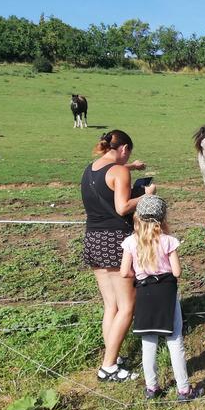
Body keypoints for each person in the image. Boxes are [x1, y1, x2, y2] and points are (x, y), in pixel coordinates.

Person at [81, 129, 154, 382]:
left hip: (93, 239)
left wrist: (131, 166)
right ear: (123, 148)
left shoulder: (90, 169)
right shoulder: (120, 172)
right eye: (128, 154)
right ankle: (108, 366)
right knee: (127, 306)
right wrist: (145, 196)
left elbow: (108, 176)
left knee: (110, 305)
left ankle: (112, 355)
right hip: (115, 241)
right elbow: (122, 207)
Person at [120, 196, 203, 401]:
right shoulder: (168, 241)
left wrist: (139, 275)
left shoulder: (131, 242)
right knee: (174, 339)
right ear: (162, 218)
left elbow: (124, 272)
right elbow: (177, 271)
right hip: (166, 293)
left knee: (148, 340)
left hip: (144, 291)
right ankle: (184, 389)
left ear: (137, 217)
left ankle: (152, 387)